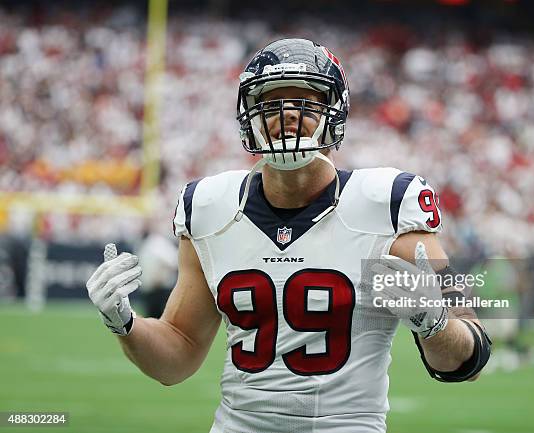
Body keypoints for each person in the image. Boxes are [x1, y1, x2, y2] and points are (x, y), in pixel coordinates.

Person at [86, 38, 491, 433]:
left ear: (335, 112)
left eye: (306, 102)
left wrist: (436, 323)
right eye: (270, 103)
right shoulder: (210, 209)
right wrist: (126, 324)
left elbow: (471, 355)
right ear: (250, 116)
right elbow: (177, 355)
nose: (288, 114)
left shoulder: (385, 206)